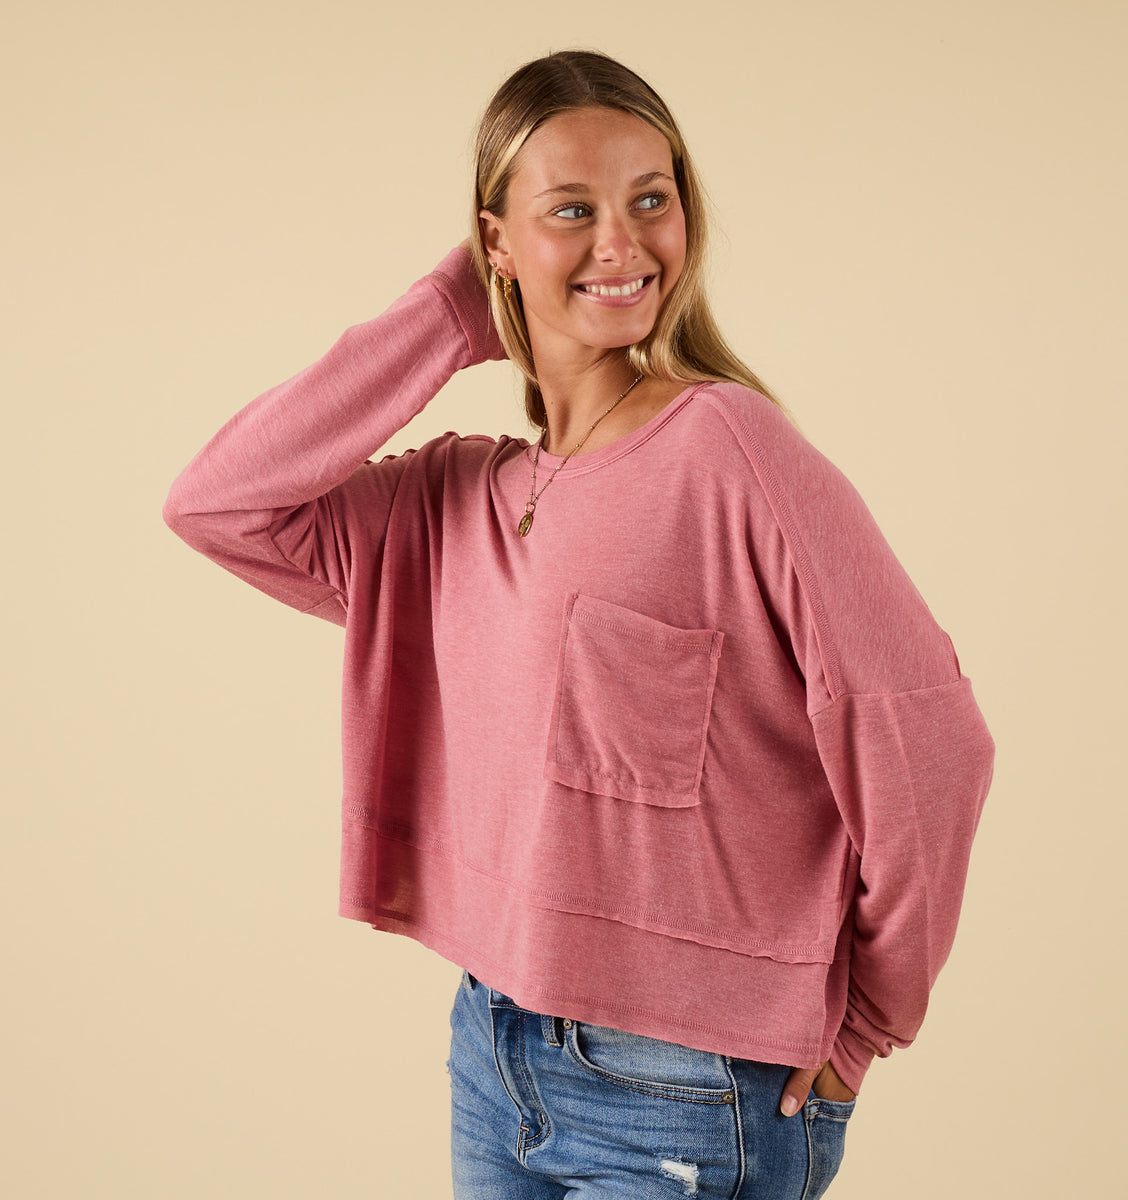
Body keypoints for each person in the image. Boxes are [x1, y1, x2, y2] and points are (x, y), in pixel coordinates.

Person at [164, 49, 994, 1200]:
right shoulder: (450, 503)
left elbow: (925, 737)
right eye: (573, 211)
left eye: (652, 200)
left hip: (692, 1088)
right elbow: (218, 501)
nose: (624, 243)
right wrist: (449, 316)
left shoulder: (728, 452)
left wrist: (868, 1026)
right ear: (494, 242)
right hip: (494, 1046)